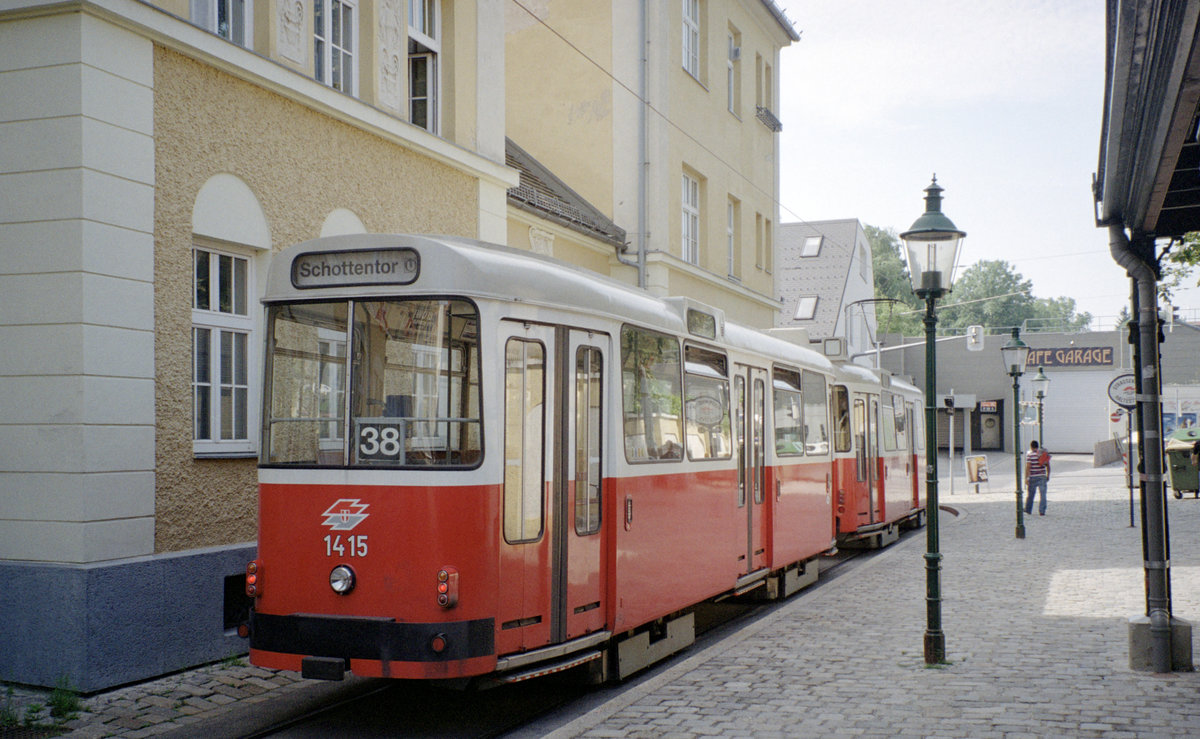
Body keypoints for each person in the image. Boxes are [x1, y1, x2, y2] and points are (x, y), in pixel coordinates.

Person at [1024, 440, 1051, 516]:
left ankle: (1028, 509)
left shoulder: (1030, 455)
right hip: (1042, 476)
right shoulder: (1042, 454)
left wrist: (1026, 478)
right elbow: (1048, 466)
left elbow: (1028, 467)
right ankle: (1042, 511)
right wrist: (1048, 475)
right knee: (1043, 495)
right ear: (1037, 446)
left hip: (1033, 477)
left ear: (1031, 447)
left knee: (1031, 494)